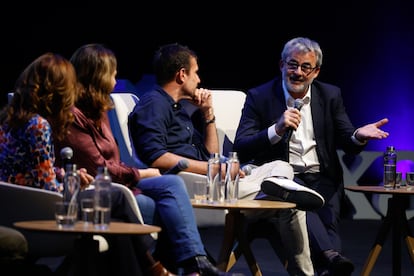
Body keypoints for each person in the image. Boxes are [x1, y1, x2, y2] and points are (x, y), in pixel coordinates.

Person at [128, 42, 316, 276]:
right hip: (191, 185)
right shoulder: (153, 104)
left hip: (212, 178)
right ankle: (281, 188)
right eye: (195, 72)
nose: (198, 79)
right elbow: (156, 158)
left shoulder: (178, 109)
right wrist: (214, 169)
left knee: (281, 166)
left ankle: (278, 185)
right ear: (181, 74)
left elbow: (211, 155)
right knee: (291, 203)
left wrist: (208, 115)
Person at [53, 43, 233, 276]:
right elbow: (107, 166)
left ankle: (192, 266)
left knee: (171, 189)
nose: (116, 78)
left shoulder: (99, 109)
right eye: (112, 73)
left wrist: (208, 116)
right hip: (100, 187)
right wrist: (140, 173)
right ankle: (189, 265)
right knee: (168, 199)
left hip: (120, 180)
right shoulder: (78, 117)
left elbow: (210, 157)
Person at [0, 52, 175, 276]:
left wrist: (67, 175)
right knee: (116, 196)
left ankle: (151, 269)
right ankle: (152, 265)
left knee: (113, 221)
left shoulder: (9, 120)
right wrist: (72, 186)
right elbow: (47, 187)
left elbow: (31, 169)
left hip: (16, 204)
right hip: (46, 206)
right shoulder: (40, 125)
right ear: (58, 88)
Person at [232, 36, 390, 276]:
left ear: (315, 72)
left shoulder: (330, 95)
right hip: (283, 179)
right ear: (281, 65)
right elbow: (241, 146)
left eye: (305, 67)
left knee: (326, 223)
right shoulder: (260, 96)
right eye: (292, 64)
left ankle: (330, 261)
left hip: (322, 176)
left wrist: (359, 135)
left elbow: (346, 137)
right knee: (304, 207)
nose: (297, 72)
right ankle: (331, 257)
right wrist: (276, 129)